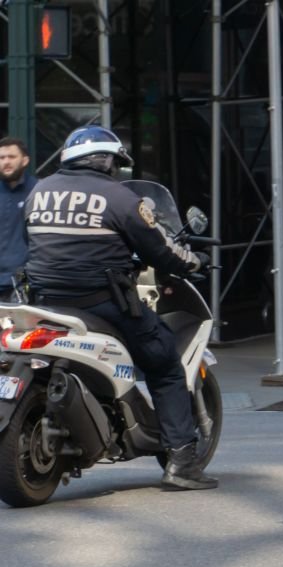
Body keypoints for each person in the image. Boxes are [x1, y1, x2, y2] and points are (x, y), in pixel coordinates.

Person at [23, 125, 215, 490]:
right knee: (164, 362)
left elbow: (26, 240)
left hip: (45, 300)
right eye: (114, 162)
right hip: (101, 303)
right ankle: (182, 463)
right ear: (106, 160)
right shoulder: (120, 198)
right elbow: (162, 250)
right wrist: (195, 262)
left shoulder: (39, 191)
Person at [0, 137, 36, 300]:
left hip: (22, 285)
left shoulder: (38, 192)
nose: (6, 162)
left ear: (25, 160)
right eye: (1, 158)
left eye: (12, 157)